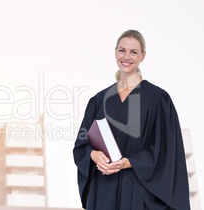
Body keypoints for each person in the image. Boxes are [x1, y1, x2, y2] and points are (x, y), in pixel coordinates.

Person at [73, 29, 190, 210]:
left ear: (142, 56)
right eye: (122, 50)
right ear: (115, 52)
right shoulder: (99, 100)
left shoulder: (158, 99)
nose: (126, 56)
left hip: (137, 189)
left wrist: (130, 162)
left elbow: (166, 149)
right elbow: (82, 142)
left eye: (133, 52)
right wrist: (94, 155)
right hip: (103, 186)